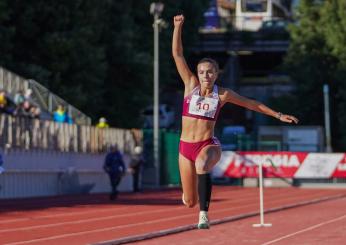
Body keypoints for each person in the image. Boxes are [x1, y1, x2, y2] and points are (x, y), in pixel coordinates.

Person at [172, 15, 299, 229]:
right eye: (202, 72)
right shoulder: (190, 85)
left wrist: (277, 115)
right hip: (185, 148)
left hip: (207, 145)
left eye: (210, 72)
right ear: (198, 73)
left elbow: (251, 104)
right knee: (189, 201)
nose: (205, 75)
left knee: (203, 164)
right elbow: (177, 54)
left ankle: (204, 215)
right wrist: (177, 27)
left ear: (216, 74)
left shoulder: (222, 95)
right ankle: (192, 199)